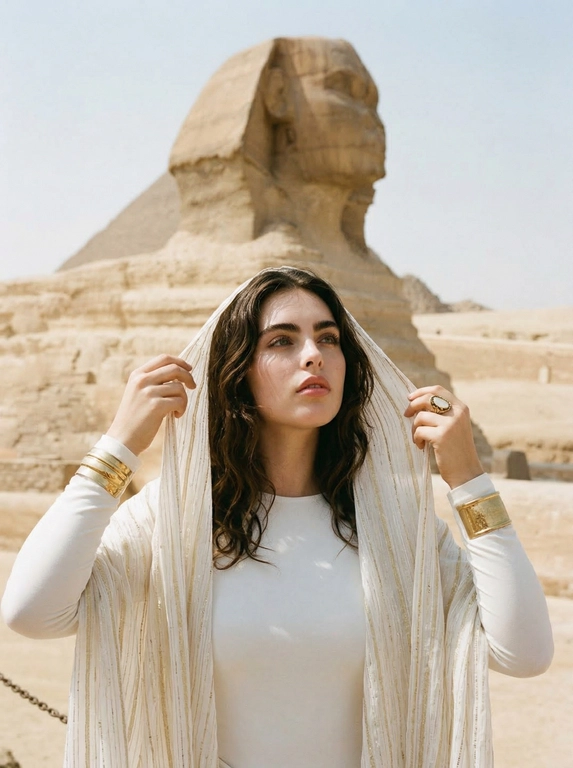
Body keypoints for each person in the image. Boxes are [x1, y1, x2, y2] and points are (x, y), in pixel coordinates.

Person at [2, 267, 553, 768]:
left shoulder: (393, 530)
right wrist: (118, 446)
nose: (312, 354)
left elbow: (523, 652)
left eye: (329, 338)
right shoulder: (172, 523)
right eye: (282, 341)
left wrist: (468, 481)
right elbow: (32, 611)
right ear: (238, 371)